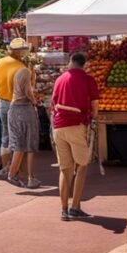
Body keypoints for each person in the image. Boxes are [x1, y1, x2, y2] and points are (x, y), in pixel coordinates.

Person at [50, 52, 100, 219]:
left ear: (71, 62)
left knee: (65, 169)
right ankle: (75, 206)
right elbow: (95, 104)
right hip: (76, 125)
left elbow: (53, 103)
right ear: (84, 64)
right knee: (82, 165)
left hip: (58, 126)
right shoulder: (88, 80)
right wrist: (93, 116)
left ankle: (63, 210)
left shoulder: (60, 79)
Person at [0, 38, 30, 176]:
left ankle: (5, 167)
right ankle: (15, 169)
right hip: (17, 104)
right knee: (18, 136)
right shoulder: (21, 68)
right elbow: (26, 89)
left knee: (6, 135)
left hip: (2, 102)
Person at [6, 60, 41, 189]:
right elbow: (28, 91)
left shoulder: (18, 73)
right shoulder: (26, 72)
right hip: (25, 110)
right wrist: (35, 101)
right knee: (30, 144)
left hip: (13, 109)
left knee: (18, 145)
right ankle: (31, 177)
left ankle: (12, 174)